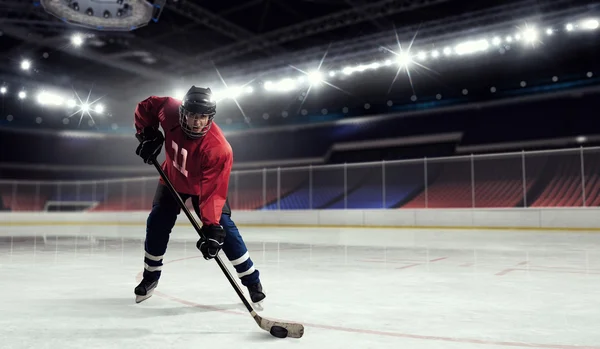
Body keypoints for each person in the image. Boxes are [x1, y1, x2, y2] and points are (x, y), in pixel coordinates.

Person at [132, 86, 265, 306]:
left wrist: (211, 228)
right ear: (182, 111)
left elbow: (213, 192)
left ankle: (252, 281)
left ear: (210, 117)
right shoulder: (169, 109)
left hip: (203, 188)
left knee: (224, 229)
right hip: (171, 178)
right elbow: (145, 108)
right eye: (192, 115)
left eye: (202, 117)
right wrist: (146, 132)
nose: (196, 122)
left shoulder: (219, 149)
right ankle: (150, 277)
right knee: (157, 222)